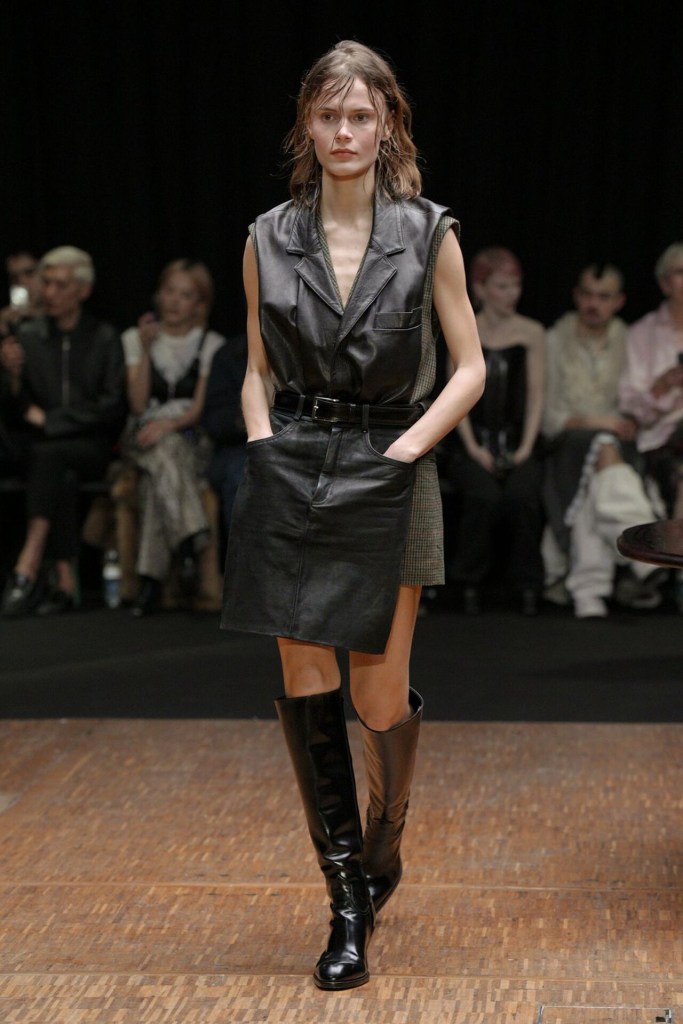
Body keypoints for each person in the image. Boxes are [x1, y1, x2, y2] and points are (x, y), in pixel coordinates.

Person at [220, 40, 485, 991]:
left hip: (391, 467)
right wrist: (262, 446)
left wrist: (406, 452)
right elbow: (254, 367)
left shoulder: (427, 232)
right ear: (307, 124)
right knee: (305, 686)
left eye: (360, 116)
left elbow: (470, 367)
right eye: (328, 115)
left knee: (376, 696)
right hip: (293, 466)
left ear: (387, 126)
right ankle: (344, 903)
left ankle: (384, 842)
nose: (343, 132)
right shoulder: (265, 238)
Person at [0, 246, 127, 616]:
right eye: (47, 283)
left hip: (91, 446)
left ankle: (29, 561)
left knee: (50, 457)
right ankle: (65, 581)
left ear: (82, 290)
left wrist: (52, 421)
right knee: (58, 472)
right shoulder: (29, 336)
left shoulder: (104, 337)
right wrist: (12, 377)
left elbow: (111, 407)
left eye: (60, 285)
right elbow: (16, 409)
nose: (50, 292)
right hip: (42, 450)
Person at [542, 264, 666, 619]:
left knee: (595, 483)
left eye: (604, 296)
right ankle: (646, 552)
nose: (593, 304)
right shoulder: (555, 339)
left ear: (619, 301)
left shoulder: (630, 339)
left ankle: (588, 591)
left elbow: (638, 404)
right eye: (587, 294)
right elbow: (549, 419)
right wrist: (599, 423)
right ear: (576, 295)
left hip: (619, 444)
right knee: (601, 447)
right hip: (566, 442)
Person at [120, 258, 225, 616]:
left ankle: (150, 581)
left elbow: (197, 409)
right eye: (169, 292)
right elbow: (137, 404)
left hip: (187, 434)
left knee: (159, 476)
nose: (175, 301)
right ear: (158, 294)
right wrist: (147, 350)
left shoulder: (210, 343)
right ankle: (192, 535)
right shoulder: (134, 338)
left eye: (186, 295)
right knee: (160, 450)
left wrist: (169, 425)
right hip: (143, 435)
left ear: (200, 303)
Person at [446, 246, 545, 615]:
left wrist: (526, 447)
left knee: (522, 496)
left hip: (519, 441)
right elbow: (454, 396)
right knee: (484, 497)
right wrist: (474, 448)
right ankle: (468, 581)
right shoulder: (464, 326)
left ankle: (527, 584)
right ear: (480, 288)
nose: (511, 294)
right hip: (472, 442)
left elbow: (536, 395)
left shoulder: (532, 332)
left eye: (515, 286)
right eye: (502, 286)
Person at [619, 242, 683, 612]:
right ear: (664, 283)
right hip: (661, 437)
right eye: (681, 272)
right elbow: (631, 405)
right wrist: (662, 388)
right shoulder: (642, 334)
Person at [200, 331, 248, 547]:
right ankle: (244, 560)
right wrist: (245, 417)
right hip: (238, 447)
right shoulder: (230, 355)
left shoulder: (301, 350)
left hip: (295, 442)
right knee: (244, 475)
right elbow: (214, 421)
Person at [0, 251, 43, 333]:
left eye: (29, 273)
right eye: (14, 277)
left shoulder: (62, 315)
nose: (22, 282)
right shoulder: (9, 320)